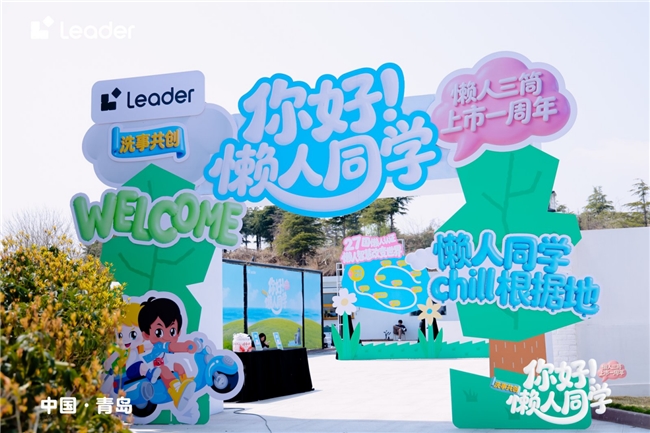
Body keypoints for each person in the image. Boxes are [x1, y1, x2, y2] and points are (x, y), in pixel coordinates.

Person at [139, 297, 198, 411]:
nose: (166, 337)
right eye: (159, 332)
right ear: (146, 334)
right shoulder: (158, 346)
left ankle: (185, 385)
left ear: (178, 332)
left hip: (160, 366)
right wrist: (186, 346)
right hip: (149, 369)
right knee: (164, 369)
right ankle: (176, 393)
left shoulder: (162, 345)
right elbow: (172, 346)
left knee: (178, 366)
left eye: (172, 331)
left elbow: (172, 347)